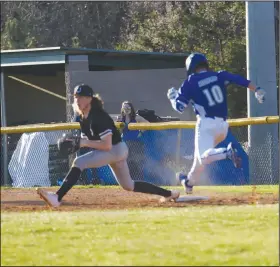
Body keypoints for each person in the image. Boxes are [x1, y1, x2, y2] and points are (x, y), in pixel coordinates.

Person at [37, 84, 179, 207]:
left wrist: (83, 142)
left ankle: (57, 197)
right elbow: (89, 138)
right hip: (116, 151)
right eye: (76, 97)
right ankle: (169, 193)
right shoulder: (83, 117)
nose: (77, 100)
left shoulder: (98, 116)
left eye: (82, 97)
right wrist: (77, 142)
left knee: (79, 162)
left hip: (115, 149)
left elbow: (106, 145)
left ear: (90, 99)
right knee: (129, 185)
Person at [167, 52, 266, 194]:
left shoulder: (191, 81)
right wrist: (257, 89)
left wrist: (172, 97)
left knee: (203, 158)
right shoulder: (219, 75)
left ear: (190, 67)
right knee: (198, 161)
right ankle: (188, 183)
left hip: (206, 124)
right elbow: (240, 80)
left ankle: (226, 152)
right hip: (223, 127)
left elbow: (180, 107)